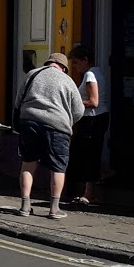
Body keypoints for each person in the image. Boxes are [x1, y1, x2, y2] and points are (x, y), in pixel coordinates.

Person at [15, 51, 84, 220]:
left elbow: (18, 101)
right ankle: (54, 209)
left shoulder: (32, 75)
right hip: (57, 126)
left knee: (28, 163)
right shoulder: (67, 80)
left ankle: (25, 205)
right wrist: (67, 121)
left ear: (48, 63)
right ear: (63, 68)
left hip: (29, 121)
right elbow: (79, 110)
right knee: (58, 167)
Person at [65, 44, 110, 205]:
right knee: (89, 154)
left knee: (86, 154)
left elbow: (93, 101)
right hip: (97, 118)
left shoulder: (90, 75)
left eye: (76, 62)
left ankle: (88, 193)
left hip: (92, 119)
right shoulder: (97, 73)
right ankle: (88, 191)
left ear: (85, 60)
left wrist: (73, 101)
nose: (74, 67)